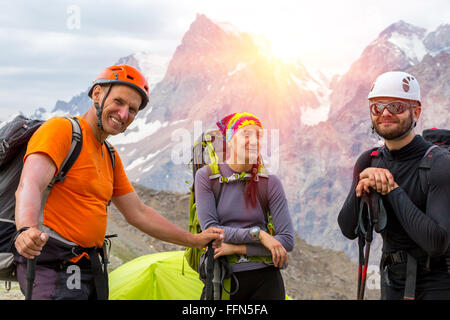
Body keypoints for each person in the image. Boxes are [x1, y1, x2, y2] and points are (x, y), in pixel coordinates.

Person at [13, 64, 224, 300]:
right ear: (97, 94)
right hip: (52, 263)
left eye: (132, 110)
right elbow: (30, 184)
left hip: (89, 264)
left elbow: (138, 213)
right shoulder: (61, 130)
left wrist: (193, 240)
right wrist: (26, 229)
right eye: (119, 102)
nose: (124, 115)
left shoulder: (110, 155)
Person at [337, 71, 450, 300]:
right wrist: (361, 188)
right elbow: (348, 229)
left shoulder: (439, 164)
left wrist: (391, 190)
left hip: (437, 285)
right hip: (391, 282)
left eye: (396, 106)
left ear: (415, 111)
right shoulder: (369, 160)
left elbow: (436, 242)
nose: (385, 113)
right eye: (377, 107)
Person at [195, 112, 294, 300]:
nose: (254, 140)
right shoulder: (207, 177)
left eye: (258, 136)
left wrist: (237, 249)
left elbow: (286, 241)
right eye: (246, 134)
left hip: (267, 282)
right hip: (222, 278)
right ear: (230, 141)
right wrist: (259, 235)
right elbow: (211, 231)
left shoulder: (270, 182)